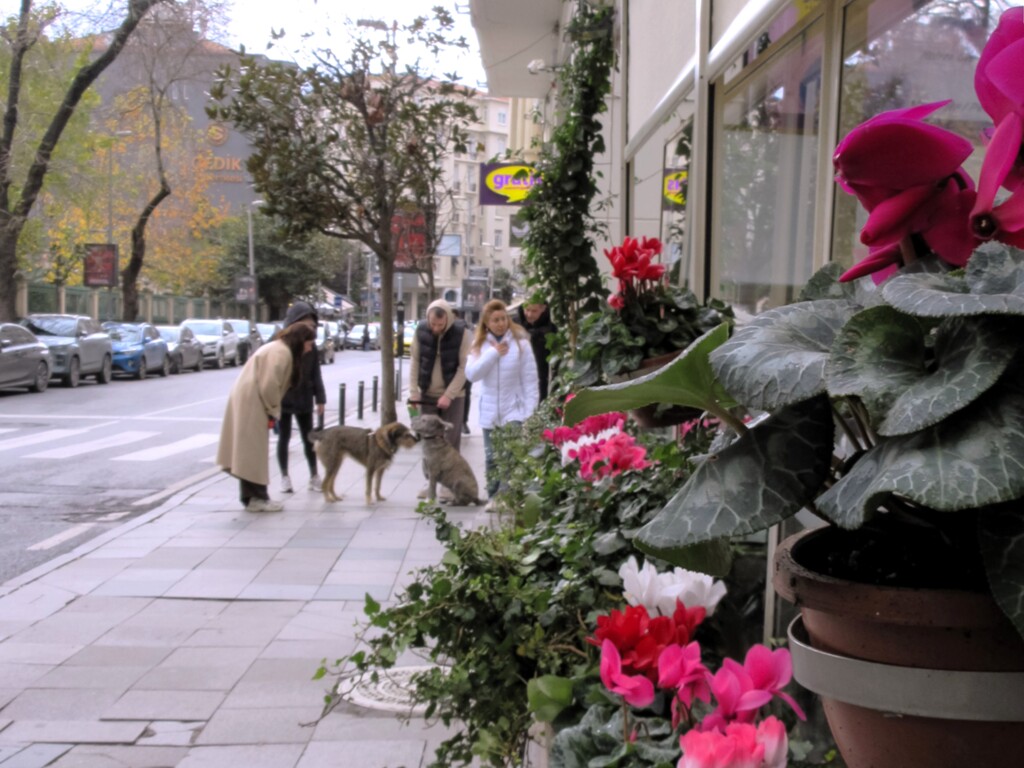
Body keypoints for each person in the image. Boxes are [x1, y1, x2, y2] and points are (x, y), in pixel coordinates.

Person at [217, 322, 316, 513]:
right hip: (254, 401)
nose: (310, 348)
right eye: (309, 343)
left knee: (248, 452)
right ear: (301, 341)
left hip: (250, 398)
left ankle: (253, 496)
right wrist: (273, 410)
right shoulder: (282, 353)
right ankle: (257, 498)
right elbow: (270, 385)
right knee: (253, 452)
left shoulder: (279, 349)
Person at [465, 299, 539, 506]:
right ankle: (493, 497)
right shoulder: (480, 345)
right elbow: (472, 374)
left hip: (513, 408)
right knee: (491, 458)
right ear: (486, 323)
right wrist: (493, 353)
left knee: (509, 455)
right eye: (495, 320)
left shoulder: (521, 344)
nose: (500, 323)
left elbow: (531, 381)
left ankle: (505, 497)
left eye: (503, 318)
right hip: (489, 410)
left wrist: (529, 412)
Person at [409, 299, 472, 498]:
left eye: (440, 325)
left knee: (450, 441)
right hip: (427, 394)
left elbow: (464, 368)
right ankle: (429, 483)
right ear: (427, 318)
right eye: (432, 324)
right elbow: (415, 361)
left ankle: (448, 485)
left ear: (448, 319)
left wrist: (449, 394)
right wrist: (413, 391)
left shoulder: (462, 333)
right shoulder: (420, 331)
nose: (436, 328)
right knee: (427, 442)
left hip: (454, 396)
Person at [276, 301, 326, 494]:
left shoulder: (310, 347)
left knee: (309, 439)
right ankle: (284, 477)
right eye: (307, 325)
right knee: (284, 438)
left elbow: (316, 373)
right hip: (284, 399)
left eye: (313, 326)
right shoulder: (281, 345)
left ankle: (314, 476)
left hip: (304, 398)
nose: (311, 329)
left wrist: (320, 397)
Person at [513, 299, 557, 402]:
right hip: (516, 378)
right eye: (527, 310)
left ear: (543, 309)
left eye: (534, 311)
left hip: (540, 378)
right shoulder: (514, 325)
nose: (529, 314)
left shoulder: (550, 329)